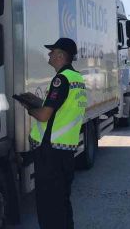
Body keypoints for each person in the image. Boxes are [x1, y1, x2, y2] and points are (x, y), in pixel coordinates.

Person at [22, 37, 87, 229]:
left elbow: (44, 115)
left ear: (60, 55)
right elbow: (62, 111)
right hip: (66, 151)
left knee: (49, 206)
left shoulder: (61, 79)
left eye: (52, 52)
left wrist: (30, 108)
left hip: (50, 152)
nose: (49, 55)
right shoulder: (77, 78)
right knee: (62, 202)